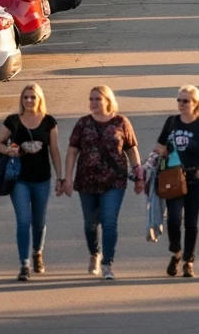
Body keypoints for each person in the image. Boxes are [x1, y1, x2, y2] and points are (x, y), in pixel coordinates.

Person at [63, 85, 142, 280]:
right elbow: (72, 150)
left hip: (114, 181)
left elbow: (131, 149)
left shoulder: (121, 122)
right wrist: (68, 178)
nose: (93, 103)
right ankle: (94, 253)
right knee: (90, 224)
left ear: (107, 100)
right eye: (91, 99)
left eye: (97, 99)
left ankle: (107, 264)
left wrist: (139, 174)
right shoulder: (83, 124)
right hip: (86, 181)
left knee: (109, 222)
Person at [158, 85, 199, 279]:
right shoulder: (171, 122)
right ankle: (176, 252)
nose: (180, 104)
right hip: (173, 178)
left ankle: (189, 262)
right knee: (173, 219)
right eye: (179, 100)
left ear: (195, 103)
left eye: (185, 101)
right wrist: (161, 150)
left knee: (191, 222)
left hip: (195, 178)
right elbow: (160, 145)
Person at [0, 83, 62, 280]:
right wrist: (9, 150)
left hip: (42, 179)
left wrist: (61, 177)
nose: (29, 101)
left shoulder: (49, 122)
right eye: (25, 97)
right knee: (23, 221)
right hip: (19, 180)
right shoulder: (13, 121)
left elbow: (55, 151)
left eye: (33, 97)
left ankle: (37, 253)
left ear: (39, 99)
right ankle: (24, 264)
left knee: (39, 222)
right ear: (21, 100)